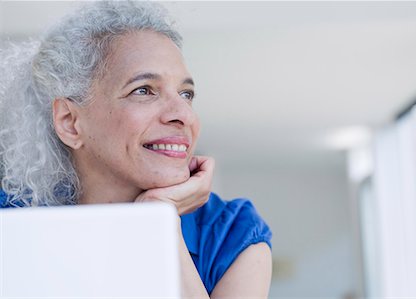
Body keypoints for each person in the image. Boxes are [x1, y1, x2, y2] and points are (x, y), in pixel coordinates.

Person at [0, 1, 272, 298]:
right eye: (143, 90)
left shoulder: (231, 233)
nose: (183, 114)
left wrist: (159, 221)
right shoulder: (11, 224)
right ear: (70, 122)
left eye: (186, 93)